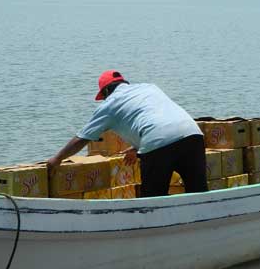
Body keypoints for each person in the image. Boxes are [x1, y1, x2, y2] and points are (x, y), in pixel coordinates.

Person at [47, 70, 208, 197]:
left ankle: (155, 234)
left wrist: (57, 158)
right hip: (193, 135)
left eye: (103, 97)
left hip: (157, 143)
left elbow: (82, 138)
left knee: (154, 200)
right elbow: (157, 118)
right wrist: (138, 148)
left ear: (107, 91)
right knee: (199, 193)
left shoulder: (109, 105)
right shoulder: (149, 87)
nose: (104, 100)